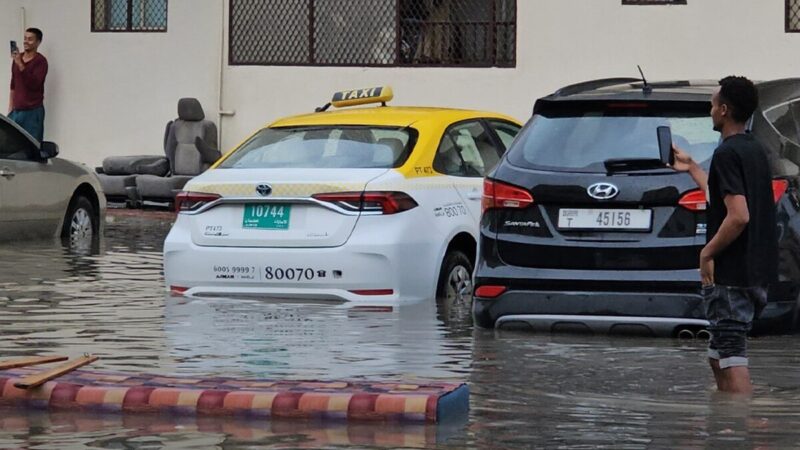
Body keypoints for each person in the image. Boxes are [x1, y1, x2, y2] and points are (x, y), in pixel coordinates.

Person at [671, 76, 777, 394]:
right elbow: (723, 198)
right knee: (718, 355)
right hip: (756, 272)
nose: (711, 108)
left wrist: (707, 254)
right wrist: (692, 168)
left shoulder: (727, 154)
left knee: (731, 355)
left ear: (725, 109)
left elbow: (739, 215)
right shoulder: (754, 150)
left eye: (714, 102)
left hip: (732, 274)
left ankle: (743, 426)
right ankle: (724, 425)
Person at [8, 27, 48, 142]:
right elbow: (13, 84)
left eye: (30, 39)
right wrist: (10, 108)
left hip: (33, 112)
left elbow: (34, 84)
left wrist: (20, 64)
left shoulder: (41, 62)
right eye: (25, 38)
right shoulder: (17, 58)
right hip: (16, 111)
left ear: (38, 42)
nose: (26, 41)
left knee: (32, 145)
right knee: (13, 145)